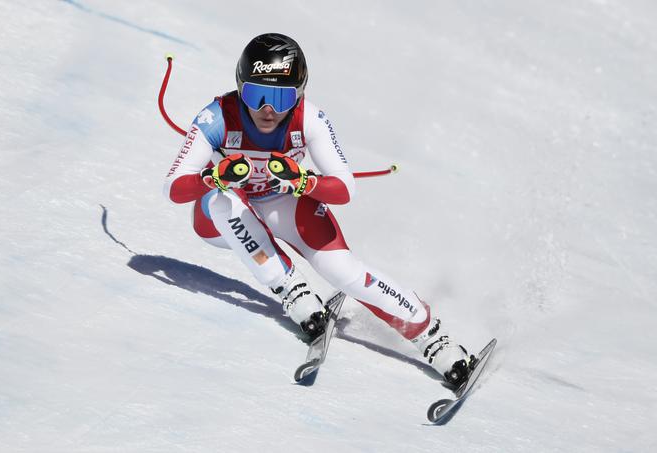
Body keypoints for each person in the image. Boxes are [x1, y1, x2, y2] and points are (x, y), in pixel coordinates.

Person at [163, 33, 475, 388]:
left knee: (342, 271)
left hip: (284, 204)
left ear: (299, 94)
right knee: (224, 201)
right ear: (239, 88)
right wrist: (213, 176)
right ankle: (293, 291)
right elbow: (173, 188)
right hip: (223, 218)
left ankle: (436, 340)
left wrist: (302, 182)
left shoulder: (309, 119)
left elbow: (343, 188)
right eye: (256, 94)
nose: (268, 109)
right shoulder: (216, 116)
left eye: (281, 97)